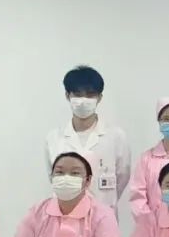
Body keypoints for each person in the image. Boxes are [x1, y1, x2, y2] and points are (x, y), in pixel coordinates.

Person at [44, 66, 130, 215]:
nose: (83, 101)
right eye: (77, 94)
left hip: (103, 217)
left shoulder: (116, 136)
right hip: (65, 216)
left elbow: (122, 177)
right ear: (67, 95)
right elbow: (54, 177)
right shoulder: (54, 138)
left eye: (90, 95)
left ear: (99, 98)